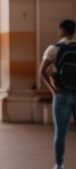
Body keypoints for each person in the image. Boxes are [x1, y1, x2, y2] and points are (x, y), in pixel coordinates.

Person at [39, 19, 76, 169]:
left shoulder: (54, 48)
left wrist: (53, 90)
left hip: (62, 94)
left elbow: (42, 71)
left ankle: (59, 165)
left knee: (60, 133)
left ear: (61, 30)